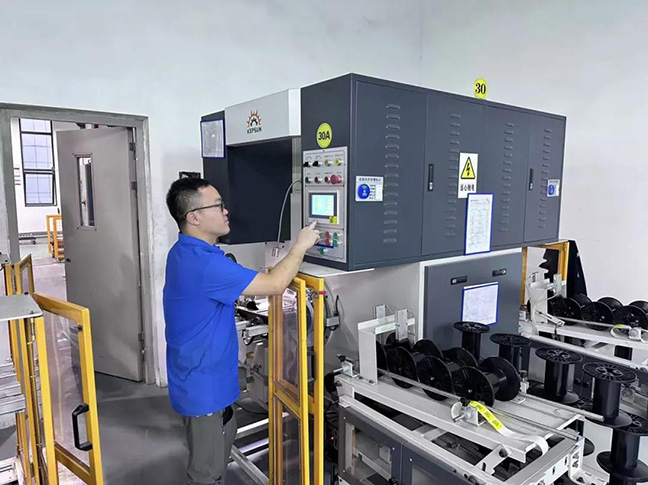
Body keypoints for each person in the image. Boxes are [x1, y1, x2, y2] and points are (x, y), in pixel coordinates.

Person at [163, 177, 319, 485]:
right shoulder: (205, 265)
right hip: (205, 391)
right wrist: (300, 246)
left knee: (218, 448)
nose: (225, 211)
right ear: (194, 218)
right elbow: (275, 284)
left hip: (198, 379)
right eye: (217, 205)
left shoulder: (185, 252)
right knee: (206, 474)